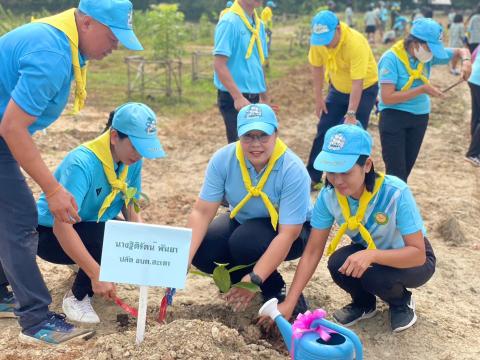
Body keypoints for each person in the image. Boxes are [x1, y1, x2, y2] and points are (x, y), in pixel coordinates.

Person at [0, 0, 143, 344]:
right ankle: (35, 321)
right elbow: (13, 128)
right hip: (5, 133)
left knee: (7, 213)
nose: (117, 45)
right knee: (21, 220)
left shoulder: (64, 43)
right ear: (89, 23)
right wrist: (51, 189)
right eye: (113, 35)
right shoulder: (53, 54)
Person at [277, 124, 436, 333]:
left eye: (345, 172)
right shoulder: (328, 196)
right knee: (337, 264)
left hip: (412, 258)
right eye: (331, 172)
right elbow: (313, 251)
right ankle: (364, 304)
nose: (337, 181)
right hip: (369, 249)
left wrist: (372, 255)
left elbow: (418, 255)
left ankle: (400, 302)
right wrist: (291, 300)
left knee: (377, 277)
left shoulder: (394, 192)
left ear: (367, 165)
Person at [35, 102, 165, 324]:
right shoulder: (82, 163)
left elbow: (130, 201)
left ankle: (85, 263)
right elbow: (61, 226)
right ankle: (77, 297)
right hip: (49, 236)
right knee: (106, 235)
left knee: (121, 234)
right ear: (114, 136)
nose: (139, 155)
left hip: (89, 225)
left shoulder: (131, 161)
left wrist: (140, 238)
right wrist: (96, 273)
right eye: (135, 146)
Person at [187, 104, 311, 313]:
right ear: (238, 136)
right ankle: (243, 283)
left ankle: (274, 287)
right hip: (244, 220)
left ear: (276, 134)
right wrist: (184, 258)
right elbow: (202, 212)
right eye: (248, 136)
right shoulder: (223, 159)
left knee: (244, 242)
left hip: (292, 231)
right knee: (203, 248)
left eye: (263, 136)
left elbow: (288, 234)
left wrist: (255, 279)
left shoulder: (292, 169)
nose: (256, 144)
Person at [377, 18, 472, 182]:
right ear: (415, 43)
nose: (432, 53)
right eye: (429, 48)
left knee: (405, 170)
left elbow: (462, 51)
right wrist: (423, 89)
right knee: (395, 173)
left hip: (419, 118)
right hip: (394, 117)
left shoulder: (428, 56)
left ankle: (396, 203)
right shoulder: (391, 59)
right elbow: (387, 97)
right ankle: (392, 206)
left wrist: (466, 62)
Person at [306, 10, 378, 191]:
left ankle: (361, 179)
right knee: (324, 127)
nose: (325, 44)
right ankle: (312, 177)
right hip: (337, 88)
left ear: (338, 29)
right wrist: (318, 98)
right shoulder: (319, 42)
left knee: (354, 132)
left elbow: (358, 81)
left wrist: (351, 113)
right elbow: (317, 68)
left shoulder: (355, 42)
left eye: (328, 39)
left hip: (364, 88)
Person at [214, 0, 272, 144]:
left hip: (255, 97)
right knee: (240, 147)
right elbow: (219, 65)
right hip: (234, 99)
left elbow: (258, 64)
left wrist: (265, 97)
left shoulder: (259, 25)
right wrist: (238, 97)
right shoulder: (229, 22)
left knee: (258, 147)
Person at [465, 45, 480, 166]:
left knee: (476, 115)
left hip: (473, 78)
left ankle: (475, 144)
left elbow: (473, 55)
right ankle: (473, 153)